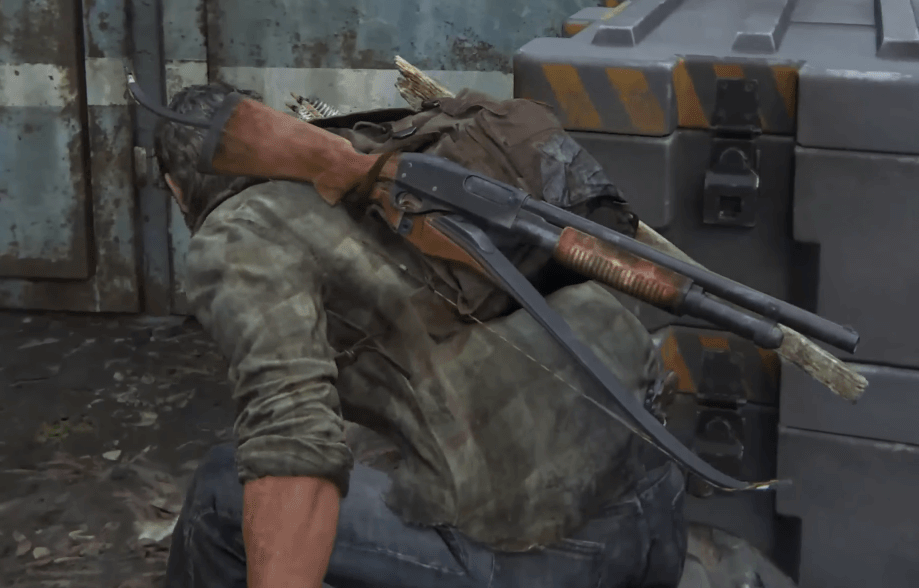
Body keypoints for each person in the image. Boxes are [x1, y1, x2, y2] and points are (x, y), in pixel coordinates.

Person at [156, 82, 689, 588]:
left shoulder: (237, 235)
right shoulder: (363, 169)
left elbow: (292, 447)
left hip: (554, 565)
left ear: (175, 187)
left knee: (218, 493)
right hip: (661, 510)